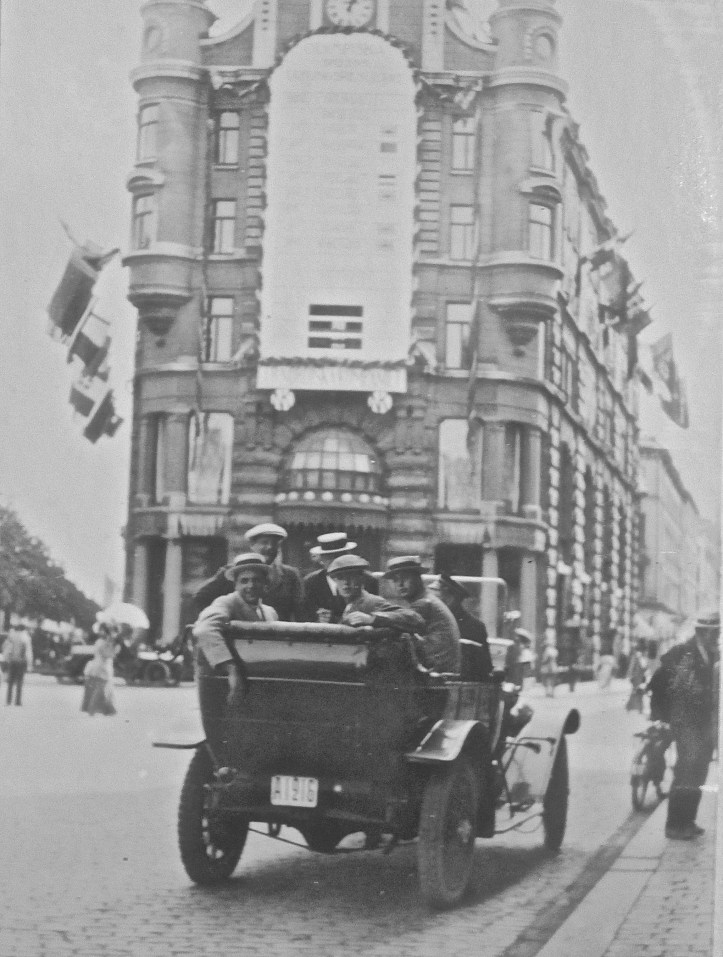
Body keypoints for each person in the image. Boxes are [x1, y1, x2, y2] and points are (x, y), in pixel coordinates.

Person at [649, 610, 719, 840]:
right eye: (714, 633)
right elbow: (658, 682)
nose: (717, 637)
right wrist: (663, 715)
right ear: (702, 632)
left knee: (700, 770)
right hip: (685, 722)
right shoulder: (682, 653)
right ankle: (674, 824)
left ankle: (688, 820)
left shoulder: (713, 654)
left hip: (704, 723)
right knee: (687, 769)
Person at [193, 552, 278, 702]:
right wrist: (232, 669)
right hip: (231, 686)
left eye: (256, 580)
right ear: (236, 584)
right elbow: (204, 629)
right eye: (244, 581)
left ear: (265, 583)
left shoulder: (269, 612)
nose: (250, 586)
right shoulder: (226, 603)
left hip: (262, 684)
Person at [194, 523, 303, 620]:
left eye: (275, 544)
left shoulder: (290, 575)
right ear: (252, 545)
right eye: (264, 543)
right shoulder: (231, 572)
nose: (270, 547)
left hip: (279, 637)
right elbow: (201, 598)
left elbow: (300, 611)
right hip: (240, 637)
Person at [383, 556, 461, 675]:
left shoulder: (424, 603)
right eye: (395, 580)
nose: (400, 584)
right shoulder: (428, 600)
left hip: (437, 673)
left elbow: (395, 627)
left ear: (418, 578)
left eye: (405, 578)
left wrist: (370, 620)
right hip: (440, 670)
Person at [327, 554, 424, 634]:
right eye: (340, 578)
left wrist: (372, 619)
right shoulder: (339, 604)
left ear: (361, 578)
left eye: (351, 577)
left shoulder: (372, 601)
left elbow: (415, 619)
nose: (346, 583)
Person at [302, 532, 379, 624]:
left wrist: (334, 620)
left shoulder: (368, 580)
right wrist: (319, 620)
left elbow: (373, 615)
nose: (337, 562)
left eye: (340, 556)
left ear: (349, 555)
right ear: (321, 559)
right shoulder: (311, 582)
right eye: (330, 557)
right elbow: (305, 617)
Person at [433, 573, 493, 679]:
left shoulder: (475, 627)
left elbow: (483, 668)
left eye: (439, 597)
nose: (435, 602)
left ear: (451, 598)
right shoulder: (432, 621)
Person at [81, 619, 119, 716]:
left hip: (103, 666)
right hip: (101, 667)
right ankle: (94, 708)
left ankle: (107, 709)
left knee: (104, 688)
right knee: (102, 688)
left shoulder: (103, 642)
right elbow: (106, 654)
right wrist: (114, 650)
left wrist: (112, 646)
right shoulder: (101, 642)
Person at [3, 623, 33, 706]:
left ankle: (8, 700)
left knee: (10, 681)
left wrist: (6, 659)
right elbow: (28, 652)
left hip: (12, 661)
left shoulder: (11, 637)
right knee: (19, 681)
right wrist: (30, 665)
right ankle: (17, 701)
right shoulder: (26, 637)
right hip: (21, 661)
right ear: (24, 629)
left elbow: (7, 648)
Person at [625, 640, 648, 713]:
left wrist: (629, 674)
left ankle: (631, 707)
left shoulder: (636, 657)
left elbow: (631, 667)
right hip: (639, 676)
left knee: (635, 691)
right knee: (638, 691)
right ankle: (638, 707)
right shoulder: (642, 657)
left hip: (636, 676)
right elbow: (644, 667)